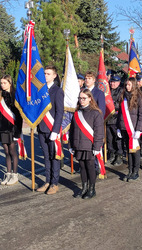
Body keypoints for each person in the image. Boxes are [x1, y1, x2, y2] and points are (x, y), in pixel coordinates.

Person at [69, 89, 104, 199]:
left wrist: (97, 147)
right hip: (79, 145)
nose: (81, 100)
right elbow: (72, 131)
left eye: (84, 98)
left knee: (90, 167)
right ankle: (84, 188)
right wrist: (71, 145)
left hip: (90, 145)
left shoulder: (96, 113)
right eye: (80, 98)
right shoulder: (76, 113)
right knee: (82, 167)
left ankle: (92, 189)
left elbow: (99, 131)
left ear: (90, 98)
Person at [36, 65, 64, 194]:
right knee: (46, 157)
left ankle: (54, 183)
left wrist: (55, 130)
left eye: (48, 74)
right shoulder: (39, 90)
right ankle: (47, 181)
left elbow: (59, 112)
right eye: (44, 73)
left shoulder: (57, 91)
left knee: (54, 157)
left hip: (52, 129)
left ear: (54, 75)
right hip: (42, 128)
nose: (45, 75)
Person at [0, 75, 23, 186]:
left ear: (10, 83)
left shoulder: (15, 96)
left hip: (12, 129)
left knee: (12, 152)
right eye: (1, 83)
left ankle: (15, 175)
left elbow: (19, 117)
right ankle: (8, 174)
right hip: (2, 129)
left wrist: (17, 132)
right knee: (6, 152)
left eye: (4, 83)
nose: (2, 85)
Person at [117, 77, 142, 181]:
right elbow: (120, 113)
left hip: (133, 130)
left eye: (129, 85)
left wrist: (139, 129)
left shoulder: (139, 97)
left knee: (135, 151)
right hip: (124, 128)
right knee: (128, 151)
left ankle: (135, 171)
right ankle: (130, 171)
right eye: (126, 85)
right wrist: (118, 127)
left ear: (133, 85)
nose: (127, 87)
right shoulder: (123, 97)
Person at [106, 74, 123, 166]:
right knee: (109, 138)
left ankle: (119, 155)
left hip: (116, 118)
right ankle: (112, 153)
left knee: (117, 138)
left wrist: (111, 105)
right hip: (108, 118)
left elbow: (120, 105)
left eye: (114, 82)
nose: (112, 83)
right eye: (111, 82)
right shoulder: (108, 91)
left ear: (119, 83)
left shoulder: (121, 91)